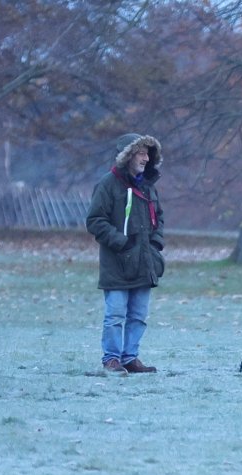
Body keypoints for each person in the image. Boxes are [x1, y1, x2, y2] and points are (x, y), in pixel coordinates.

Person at [86, 133, 166, 374]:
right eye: (140, 153)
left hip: (145, 263)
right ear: (128, 156)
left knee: (139, 315)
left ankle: (130, 357)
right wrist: (122, 242)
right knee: (115, 315)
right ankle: (111, 359)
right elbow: (95, 221)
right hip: (117, 263)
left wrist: (155, 244)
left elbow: (159, 218)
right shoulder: (107, 184)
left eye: (147, 153)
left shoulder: (149, 185)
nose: (145, 157)